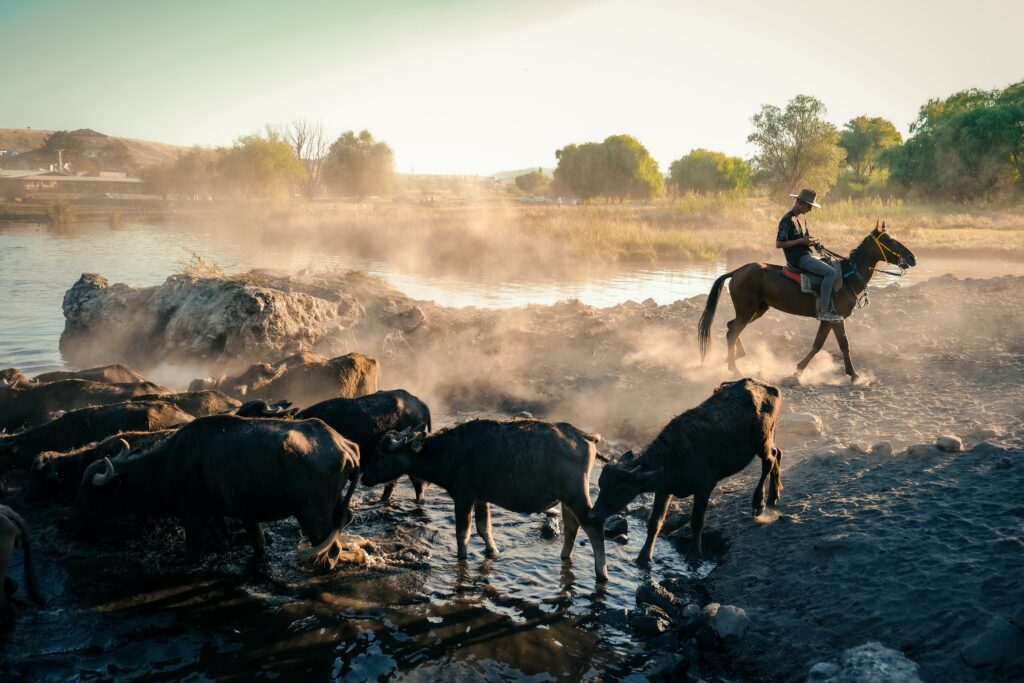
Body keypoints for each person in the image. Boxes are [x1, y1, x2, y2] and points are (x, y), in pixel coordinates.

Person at [776, 188, 842, 323]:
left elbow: (806, 238)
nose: (810, 210)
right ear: (799, 203)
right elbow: (779, 243)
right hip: (798, 259)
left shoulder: (802, 219)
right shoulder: (787, 220)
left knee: (832, 264)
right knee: (831, 273)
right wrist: (801, 241)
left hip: (806, 254)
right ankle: (824, 311)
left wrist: (813, 243)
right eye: (808, 206)